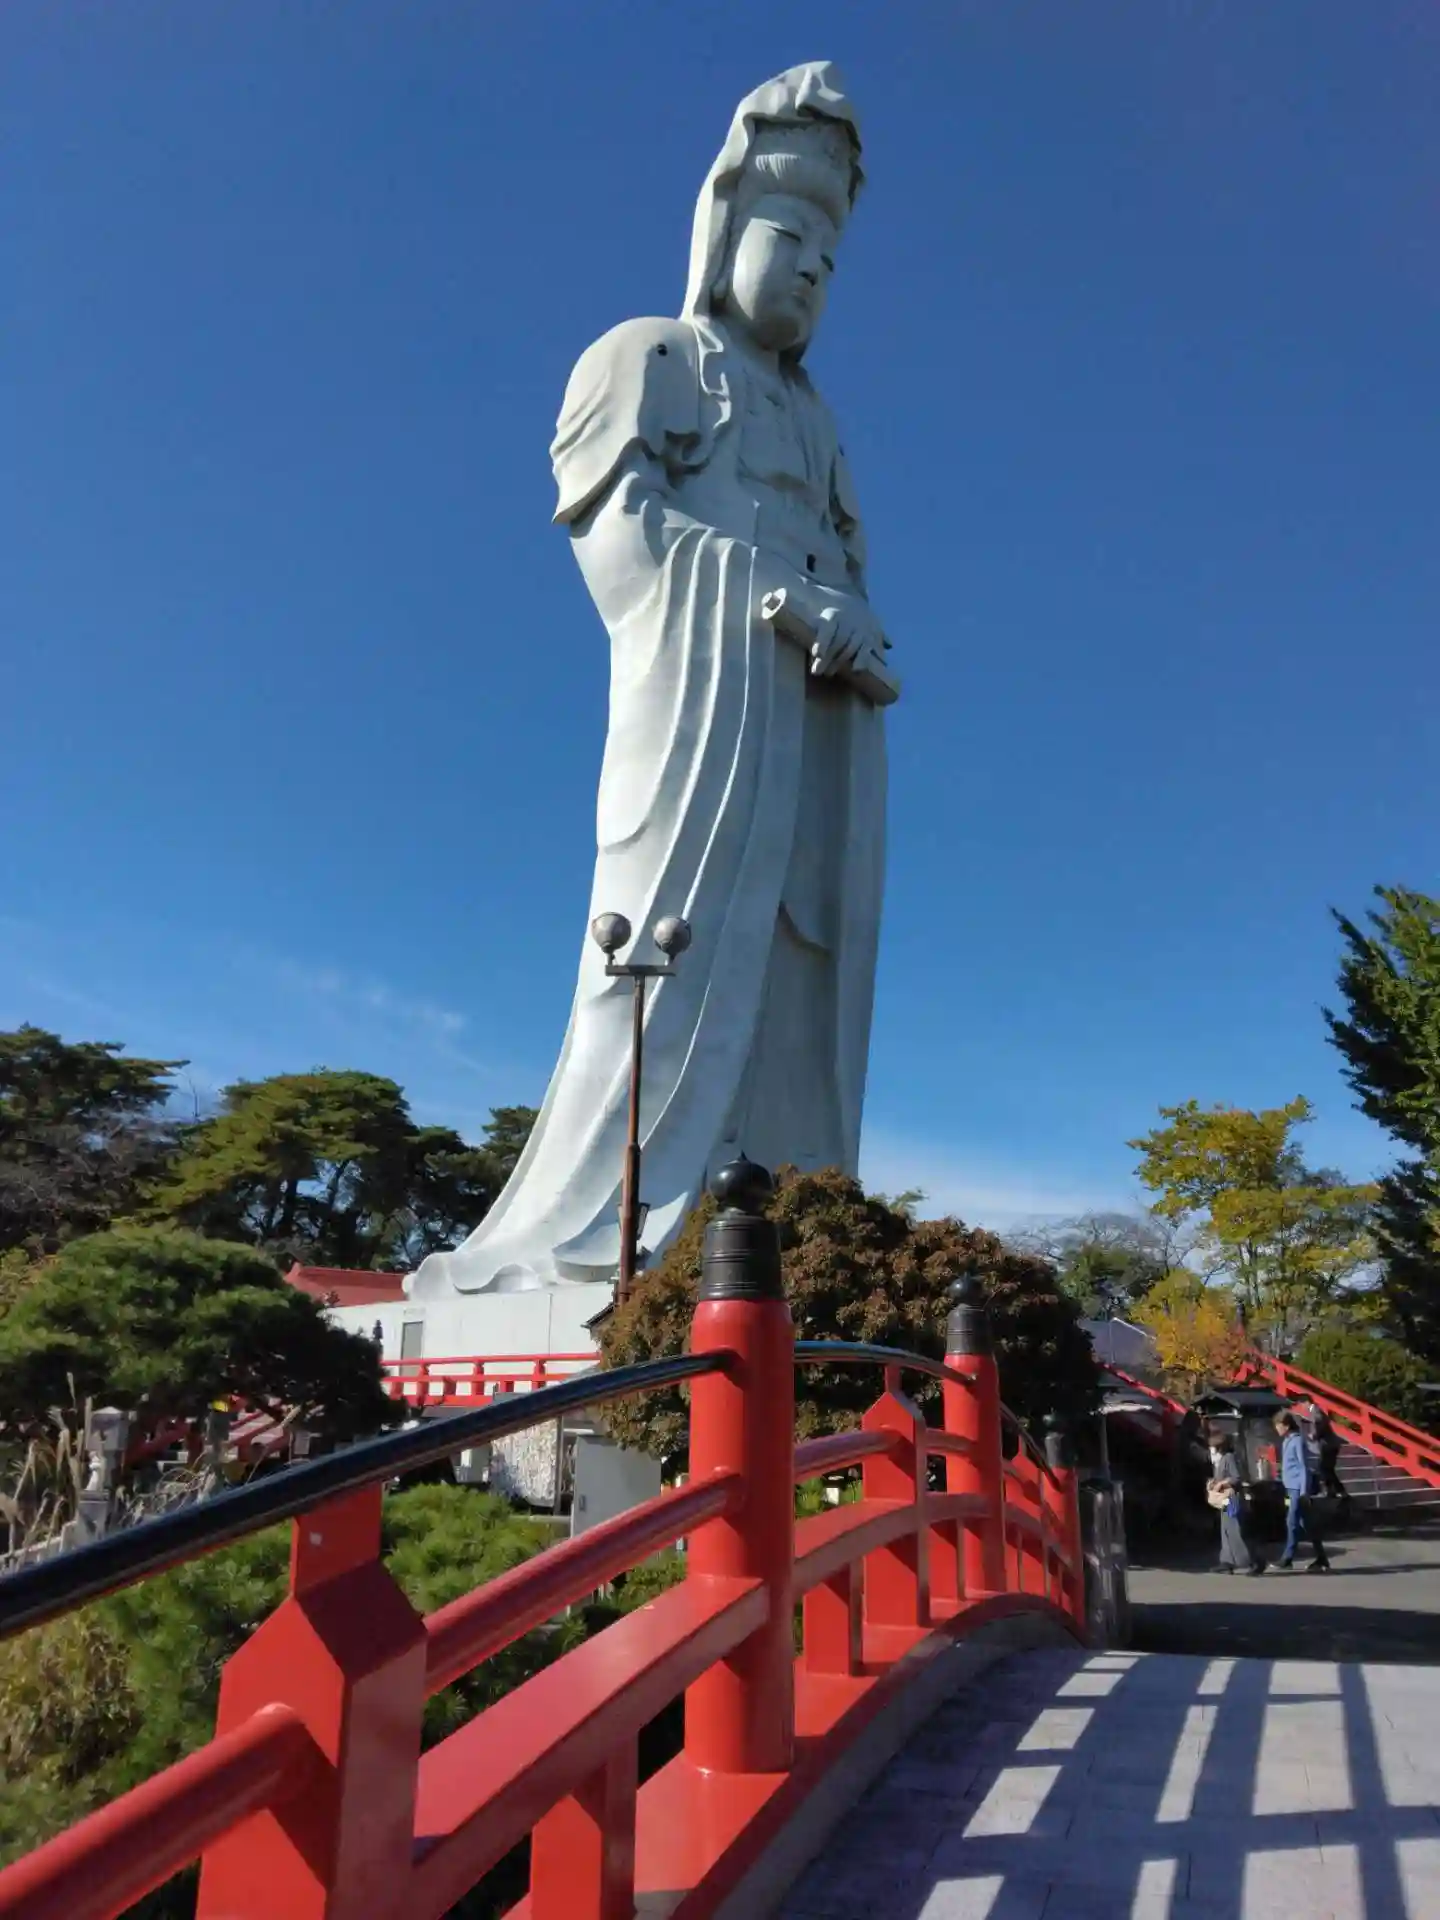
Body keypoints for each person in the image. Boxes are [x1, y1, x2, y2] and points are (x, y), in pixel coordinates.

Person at [1275, 1410, 1331, 1571]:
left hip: (1298, 1488)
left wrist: (1304, 1491)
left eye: (1278, 1425)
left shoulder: (1297, 1441)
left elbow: (1303, 1466)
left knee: (1291, 1521)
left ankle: (1287, 1557)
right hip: (1289, 1487)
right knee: (1306, 1523)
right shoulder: (1286, 1441)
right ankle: (1322, 1558)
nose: (1277, 1429)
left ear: (1286, 1426)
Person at [1206, 1424, 1265, 1575]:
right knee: (1226, 1529)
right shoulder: (1221, 1460)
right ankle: (1227, 1561)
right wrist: (1213, 1482)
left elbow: (1236, 1478)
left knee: (1235, 1530)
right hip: (1226, 1499)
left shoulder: (1229, 1458)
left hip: (1231, 1499)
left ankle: (1253, 1560)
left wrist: (1221, 1483)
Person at [1308, 1403, 1352, 1514]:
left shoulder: (1316, 1412)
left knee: (1324, 1468)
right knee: (1327, 1469)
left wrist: (1313, 1435)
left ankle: (1337, 1490)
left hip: (1328, 1446)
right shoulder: (1318, 1412)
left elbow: (1319, 1427)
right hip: (1330, 1445)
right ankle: (1332, 1490)